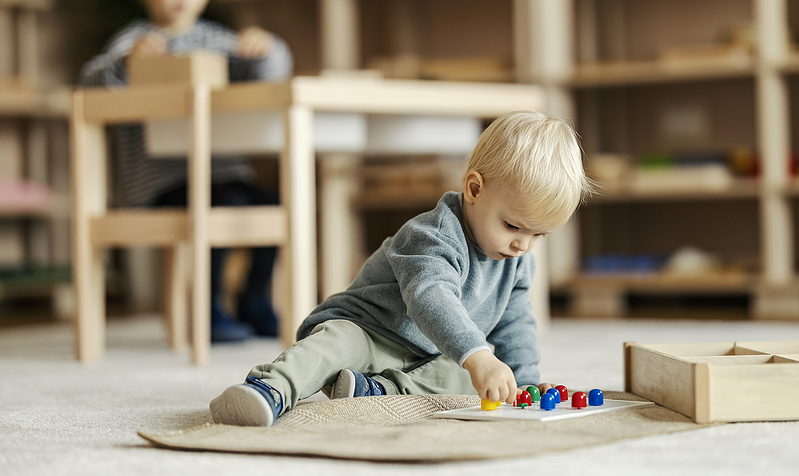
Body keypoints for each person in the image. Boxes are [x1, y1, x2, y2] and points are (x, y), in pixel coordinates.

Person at [209, 110, 596, 427]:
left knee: (466, 378)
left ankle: (374, 391)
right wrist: (478, 355)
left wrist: (521, 382)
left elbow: (516, 323)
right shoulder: (432, 234)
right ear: (474, 190)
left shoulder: (517, 259)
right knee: (336, 345)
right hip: (369, 330)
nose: (523, 245)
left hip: (427, 354)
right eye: (513, 226)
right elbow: (431, 298)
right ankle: (270, 389)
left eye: (538, 235)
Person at [79, 0, 294, 342]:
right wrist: (127, 65)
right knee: (225, 200)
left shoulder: (217, 40)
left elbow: (271, 74)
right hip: (160, 183)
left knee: (272, 201)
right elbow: (90, 83)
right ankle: (207, 307)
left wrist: (266, 46)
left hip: (224, 173)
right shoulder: (135, 42)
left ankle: (254, 300)